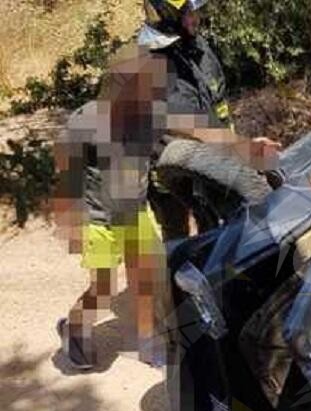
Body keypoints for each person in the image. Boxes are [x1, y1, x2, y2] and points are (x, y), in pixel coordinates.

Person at [54, 0, 281, 370]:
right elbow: (68, 171)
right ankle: (73, 327)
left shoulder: (154, 113)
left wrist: (244, 148)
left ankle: (149, 344)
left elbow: (196, 127)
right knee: (104, 289)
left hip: (133, 205)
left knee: (147, 274)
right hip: (98, 215)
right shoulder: (87, 123)